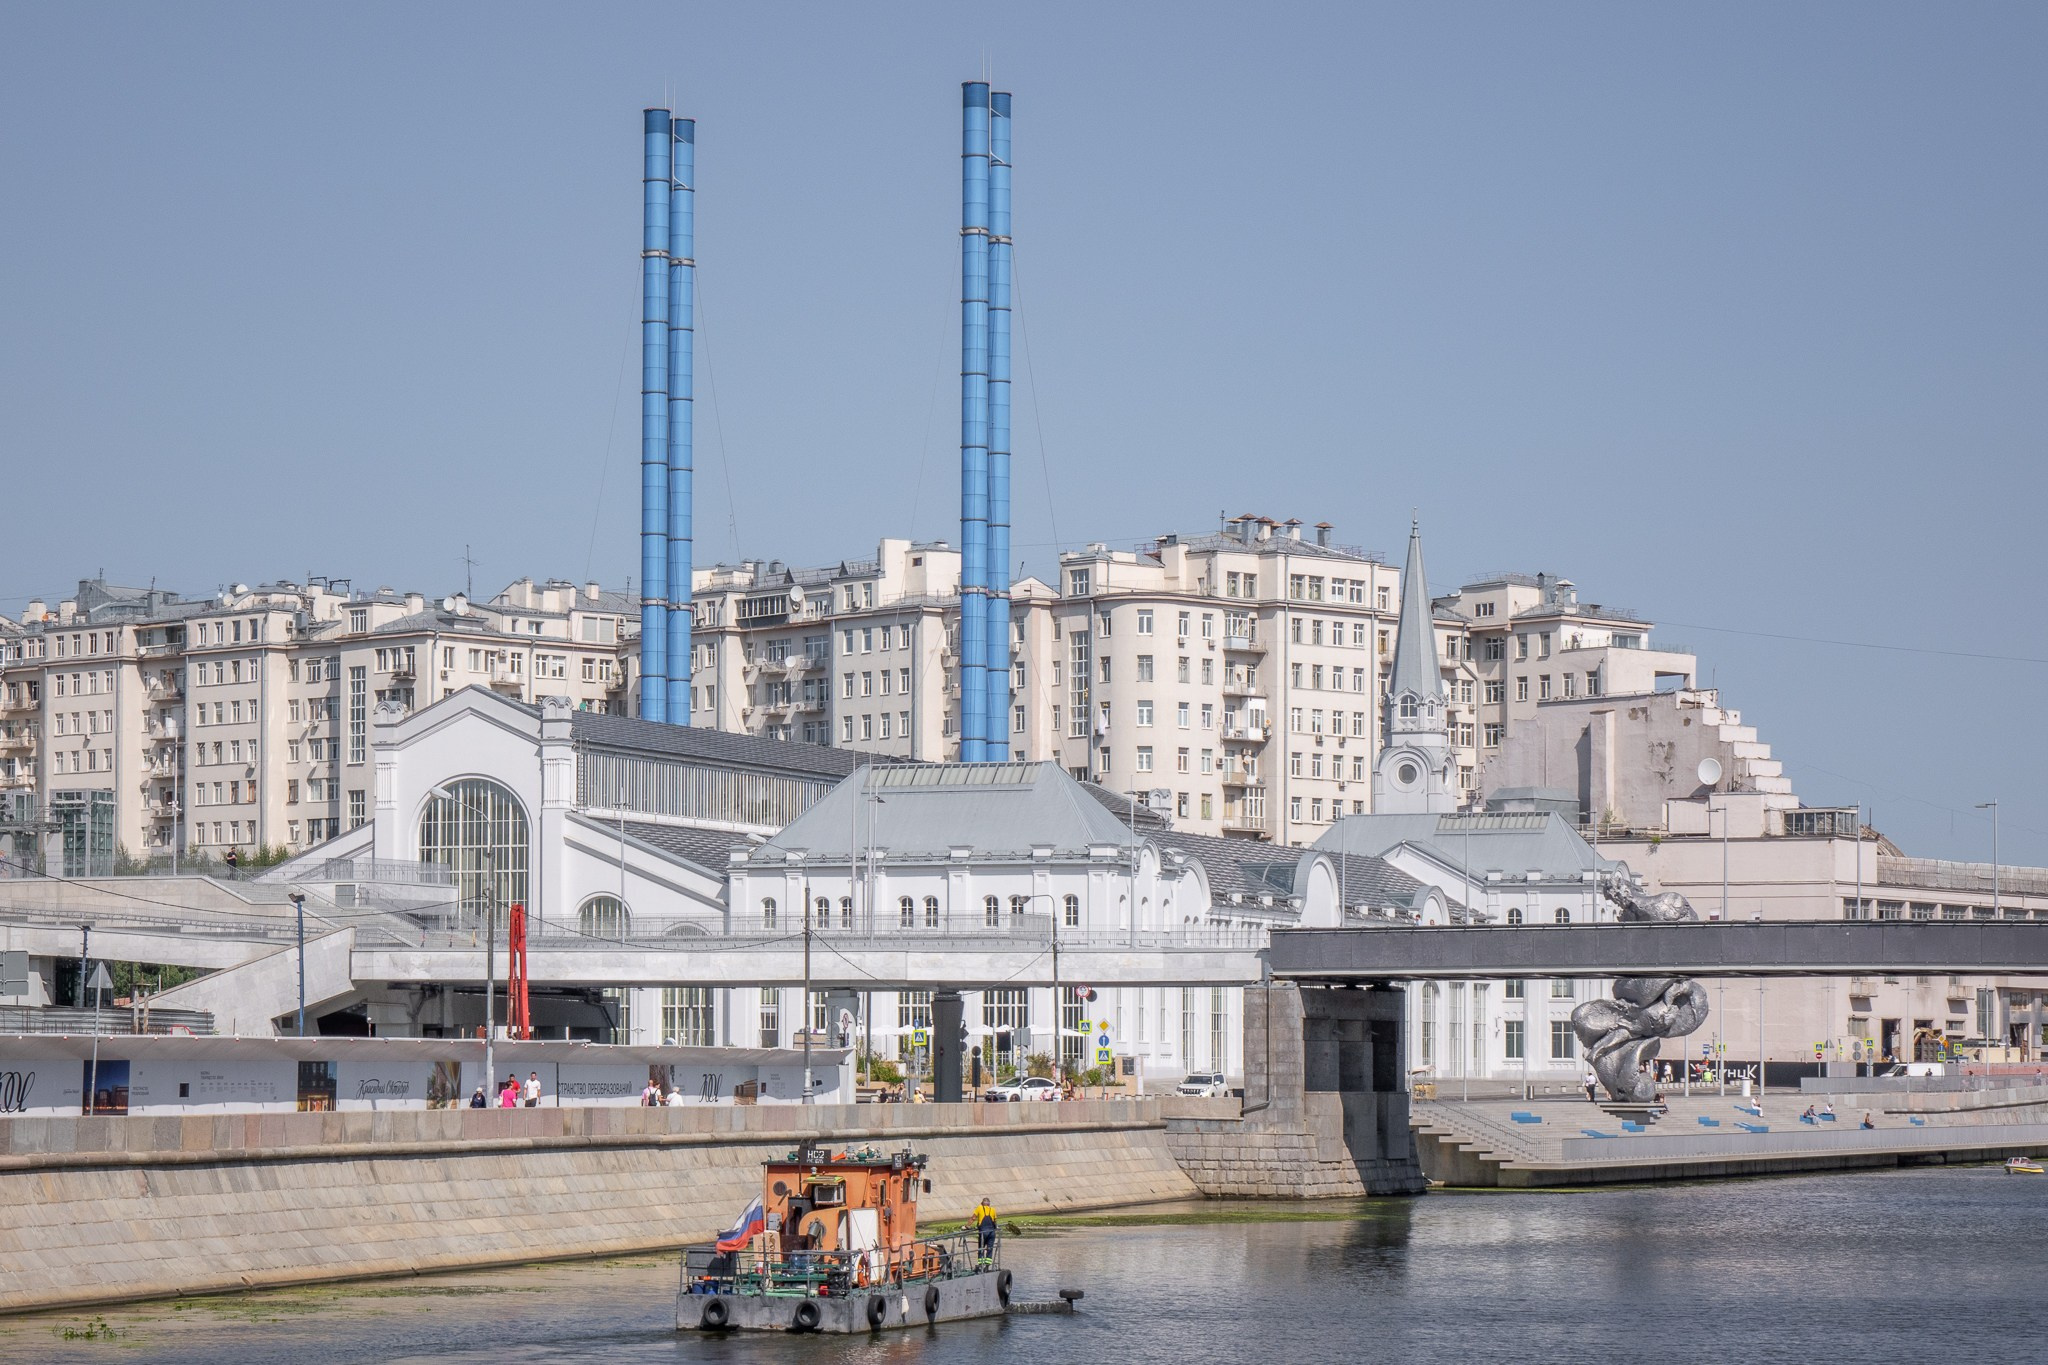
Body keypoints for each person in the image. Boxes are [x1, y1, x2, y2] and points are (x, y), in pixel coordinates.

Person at [969, 1196, 999, 1266]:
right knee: (990, 1248)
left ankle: (981, 1264)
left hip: (983, 1232)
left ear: (982, 1203)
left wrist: (967, 1226)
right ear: (989, 1204)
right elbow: (995, 1222)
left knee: (981, 1247)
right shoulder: (993, 1209)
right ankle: (988, 1264)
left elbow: (973, 1218)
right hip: (992, 1233)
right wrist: (996, 1227)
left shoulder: (979, 1207)